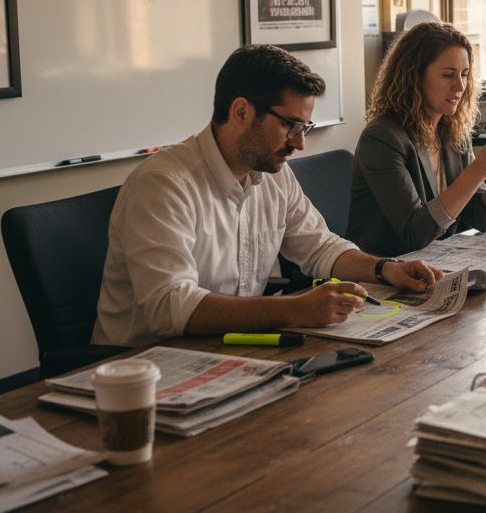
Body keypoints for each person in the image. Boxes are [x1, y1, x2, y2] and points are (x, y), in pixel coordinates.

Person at [93, 45, 444, 347]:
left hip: (232, 348)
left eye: (305, 128)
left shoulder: (272, 174)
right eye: (291, 126)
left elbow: (319, 247)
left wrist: (385, 269)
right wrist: (293, 308)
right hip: (144, 369)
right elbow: (168, 307)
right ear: (242, 111)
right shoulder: (163, 185)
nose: (299, 143)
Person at [347, 22, 486, 257]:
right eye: (448, 75)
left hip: (442, 263)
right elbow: (416, 233)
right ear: (414, 77)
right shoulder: (381, 139)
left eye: (465, 74)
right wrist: (479, 169)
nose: (460, 86)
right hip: (390, 271)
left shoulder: (451, 132)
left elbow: (480, 219)